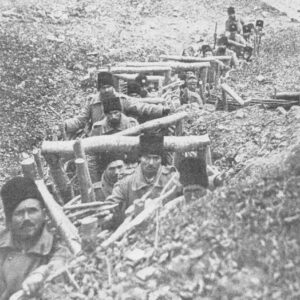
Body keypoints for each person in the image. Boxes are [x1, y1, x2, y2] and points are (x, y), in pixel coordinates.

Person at [0, 177, 70, 300]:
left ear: (43, 214)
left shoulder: (56, 243)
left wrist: (42, 272)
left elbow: (61, 261)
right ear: (9, 219)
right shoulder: (2, 245)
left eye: (32, 211)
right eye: (19, 213)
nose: (26, 218)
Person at [64, 72, 169, 138]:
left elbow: (141, 107)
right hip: (98, 135)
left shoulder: (122, 99)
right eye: (102, 88)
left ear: (112, 86)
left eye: (108, 87)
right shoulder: (92, 102)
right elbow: (81, 120)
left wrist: (162, 110)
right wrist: (65, 125)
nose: (105, 90)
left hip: (120, 134)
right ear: (99, 89)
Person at [105, 133, 181, 226]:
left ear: (161, 159)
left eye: (156, 158)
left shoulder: (172, 178)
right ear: (140, 158)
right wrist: (107, 213)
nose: (151, 163)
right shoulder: (127, 181)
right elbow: (111, 204)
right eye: (147, 158)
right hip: (135, 231)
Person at [88, 96, 139, 182]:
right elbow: (92, 156)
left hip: (130, 166)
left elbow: (140, 149)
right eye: (109, 114)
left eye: (116, 112)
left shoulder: (132, 124)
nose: (113, 116)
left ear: (120, 111)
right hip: (107, 169)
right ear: (105, 114)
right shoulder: (98, 128)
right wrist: (95, 181)